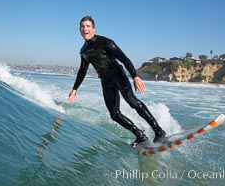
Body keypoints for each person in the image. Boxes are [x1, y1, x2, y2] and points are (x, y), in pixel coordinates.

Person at [68, 16, 166, 148]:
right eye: (82, 26)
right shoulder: (84, 51)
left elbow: (124, 59)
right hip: (105, 81)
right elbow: (82, 71)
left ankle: (158, 130)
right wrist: (75, 89)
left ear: (93, 29)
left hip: (118, 75)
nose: (85, 29)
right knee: (114, 115)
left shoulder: (106, 42)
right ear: (80, 29)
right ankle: (139, 135)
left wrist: (135, 76)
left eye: (88, 26)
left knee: (132, 101)